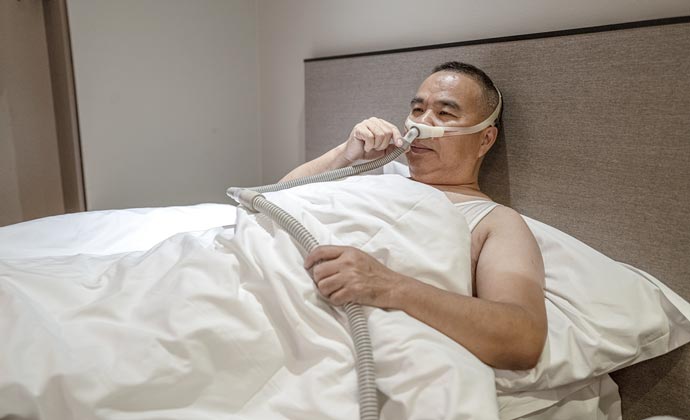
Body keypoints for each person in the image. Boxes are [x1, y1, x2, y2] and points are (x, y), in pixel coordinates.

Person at [282, 62, 547, 370]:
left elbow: (522, 338)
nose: (420, 125)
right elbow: (273, 199)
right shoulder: (375, 173)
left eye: (445, 113)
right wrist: (345, 154)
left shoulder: (494, 222)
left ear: (485, 139)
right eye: (417, 110)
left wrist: (389, 285)